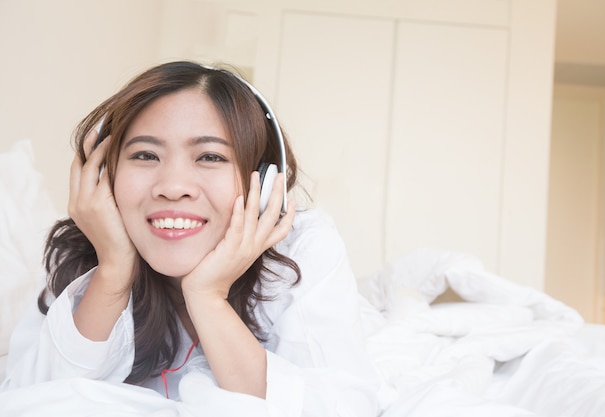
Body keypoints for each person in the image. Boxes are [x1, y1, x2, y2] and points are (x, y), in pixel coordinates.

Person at [1, 61, 381, 415]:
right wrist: (113, 269)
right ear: (103, 175)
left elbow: (336, 406)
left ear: (263, 182)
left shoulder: (302, 246)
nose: (173, 187)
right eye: (146, 155)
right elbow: (31, 397)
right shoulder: (84, 248)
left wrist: (207, 297)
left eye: (210, 157)